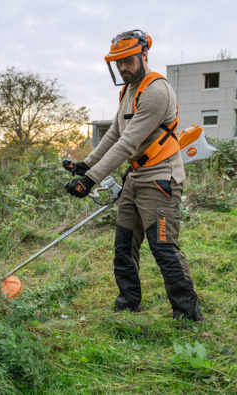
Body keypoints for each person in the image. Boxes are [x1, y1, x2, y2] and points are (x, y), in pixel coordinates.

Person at [63, 29, 203, 322]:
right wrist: (86, 165)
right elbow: (115, 133)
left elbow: (129, 144)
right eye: (118, 63)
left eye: (128, 60)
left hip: (160, 180)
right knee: (123, 246)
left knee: (163, 247)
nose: (123, 67)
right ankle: (128, 306)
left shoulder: (155, 91)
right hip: (136, 178)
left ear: (143, 55)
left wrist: (90, 181)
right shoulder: (128, 90)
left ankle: (188, 315)